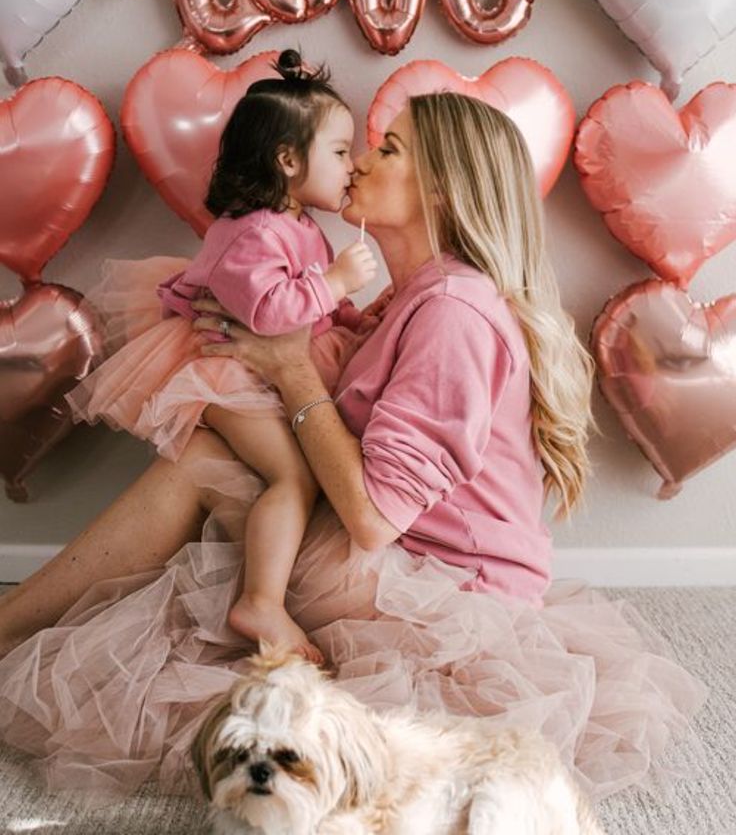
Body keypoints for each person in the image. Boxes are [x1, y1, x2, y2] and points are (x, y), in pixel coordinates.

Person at [0, 92, 706, 804]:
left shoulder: (454, 314)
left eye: (389, 149)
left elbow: (372, 518)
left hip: (437, 584)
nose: (364, 160)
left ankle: (8, 628)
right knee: (208, 447)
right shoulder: (411, 295)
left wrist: (287, 366)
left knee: (199, 468)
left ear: (440, 186)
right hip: (401, 554)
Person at [67, 49, 378, 662]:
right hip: (222, 372)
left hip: (251, 370)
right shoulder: (253, 231)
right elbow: (268, 313)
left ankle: (255, 581)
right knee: (296, 475)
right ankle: (261, 601)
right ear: (288, 160)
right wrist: (337, 284)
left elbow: (306, 306)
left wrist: (346, 314)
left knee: (282, 472)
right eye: (340, 151)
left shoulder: (298, 225)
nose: (353, 164)